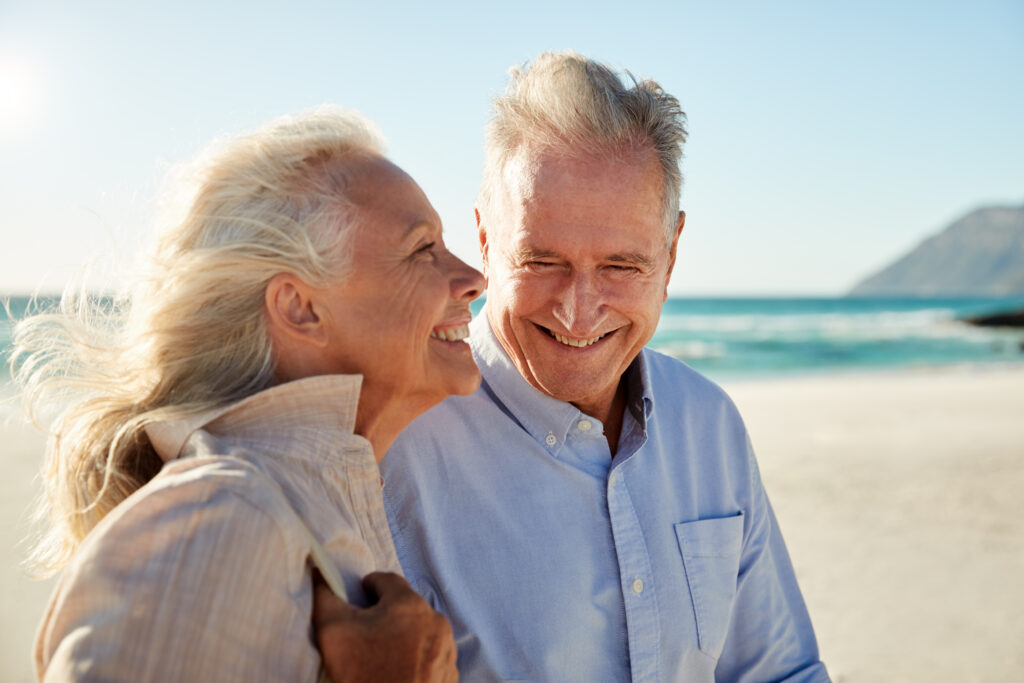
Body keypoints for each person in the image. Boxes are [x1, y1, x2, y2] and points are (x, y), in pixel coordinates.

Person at [380, 52, 831, 681]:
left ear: (670, 258)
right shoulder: (392, 445)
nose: (578, 310)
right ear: (484, 240)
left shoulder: (709, 423)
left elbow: (778, 672)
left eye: (622, 266)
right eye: (542, 261)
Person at [13, 107, 482, 681]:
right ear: (299, 307)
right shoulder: (221, 520)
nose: (473, 277)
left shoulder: (300, 501)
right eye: (422, 249)